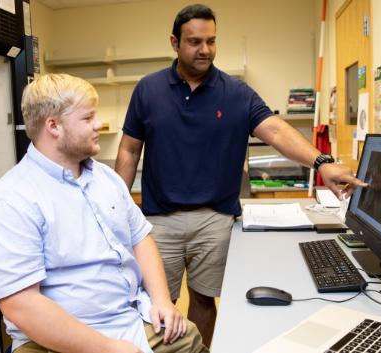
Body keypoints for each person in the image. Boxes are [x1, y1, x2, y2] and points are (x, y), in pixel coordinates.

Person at [114, 4, 367, 346]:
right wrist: (116, 208)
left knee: (203, 300)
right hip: (160, 219)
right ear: (174, 43)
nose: (204, 49)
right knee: (156, 304)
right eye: (194, 42)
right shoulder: (148, 89)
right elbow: (129, 150)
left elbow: (276, 131)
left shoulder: (236, 92)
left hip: (216, 219)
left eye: (211, 41)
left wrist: (322, 161)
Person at [0, 73, 208, 353]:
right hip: (56, 340)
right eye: (87, 118)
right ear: (53, 125)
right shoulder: (9, 201)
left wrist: (161, 301)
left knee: (188, 338)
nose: (99, 124)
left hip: (126, 318)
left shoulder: (105, 179)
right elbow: (22, 306)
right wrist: (107, 347)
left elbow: (140, 239)